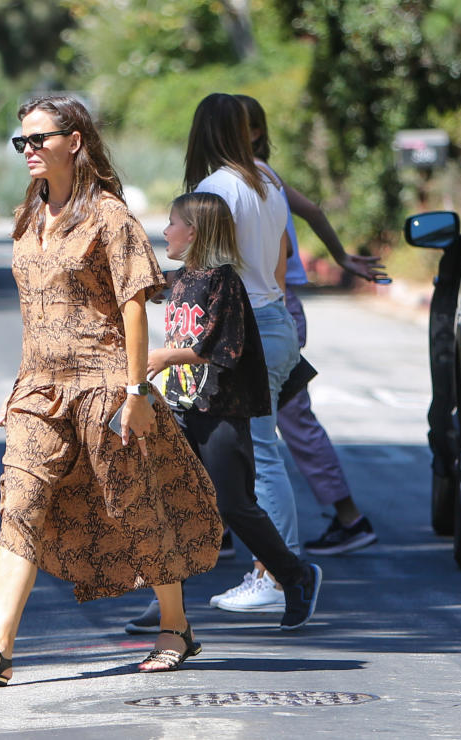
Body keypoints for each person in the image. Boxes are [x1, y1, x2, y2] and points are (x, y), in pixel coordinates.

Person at [0, 95, 222, 686]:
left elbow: (135, 307)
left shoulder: (110, 217)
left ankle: (176, 625)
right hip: (39, 391)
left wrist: (137, 390)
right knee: (18, 506)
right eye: (22, 141)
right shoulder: (28, 215)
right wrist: (23, 383)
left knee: (135, 502)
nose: (29, 150)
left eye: (39, 139)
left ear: (76, 140)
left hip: (104, 387)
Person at [125, 193, 322, 633]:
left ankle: (294, 575)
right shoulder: (178, 280)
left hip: (218, 410)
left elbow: (223, 349)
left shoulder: (223, 282)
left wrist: (162, 357)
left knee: (234, 505)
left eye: (172, 223)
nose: (166, 231)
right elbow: (134, 285)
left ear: (193, 231)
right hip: (179, 408)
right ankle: (167, 605)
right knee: (168, 503)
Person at [185, 92, 320, 615]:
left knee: (259, 454)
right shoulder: (266, 181)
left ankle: (280, 574)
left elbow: (208, 273)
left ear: (201, 131)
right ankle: (276, 570)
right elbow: (283, 260)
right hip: (275, 315)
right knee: (254, 451)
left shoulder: (216, 188)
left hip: (245, 328)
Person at [236, 94, 384, 555]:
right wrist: (339, 256)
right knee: (229, 418)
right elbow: (314, 211)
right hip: (271, 308)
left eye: (238, 125)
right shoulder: (257, 177)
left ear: (257, 133)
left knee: (289, 420)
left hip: (273, 309)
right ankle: (223, 526)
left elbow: (279, 249)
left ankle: (349, 518)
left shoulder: (254, 178)